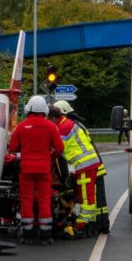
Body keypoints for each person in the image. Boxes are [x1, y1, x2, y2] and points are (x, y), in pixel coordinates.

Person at [8, 95, 64, 244]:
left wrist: (24, 149)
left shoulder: (21, 126)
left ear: (29, 110)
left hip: (26, 169)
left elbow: (13, 148)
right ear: (44, 111)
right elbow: (59, 148)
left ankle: (28, 233)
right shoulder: (51, 127)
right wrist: (50, 155)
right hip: (44, 169)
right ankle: (45, 234)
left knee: (26, 199)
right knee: (44, 199)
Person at [49, 100, 107, 237]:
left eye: (49, 120)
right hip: (86, 164)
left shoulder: (63, 128)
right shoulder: (67, 124)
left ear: (54, 117)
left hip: (84, 164)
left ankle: (82, 225)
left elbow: (56, 150)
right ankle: (90, 225)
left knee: (86, 198)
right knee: (87, 196)